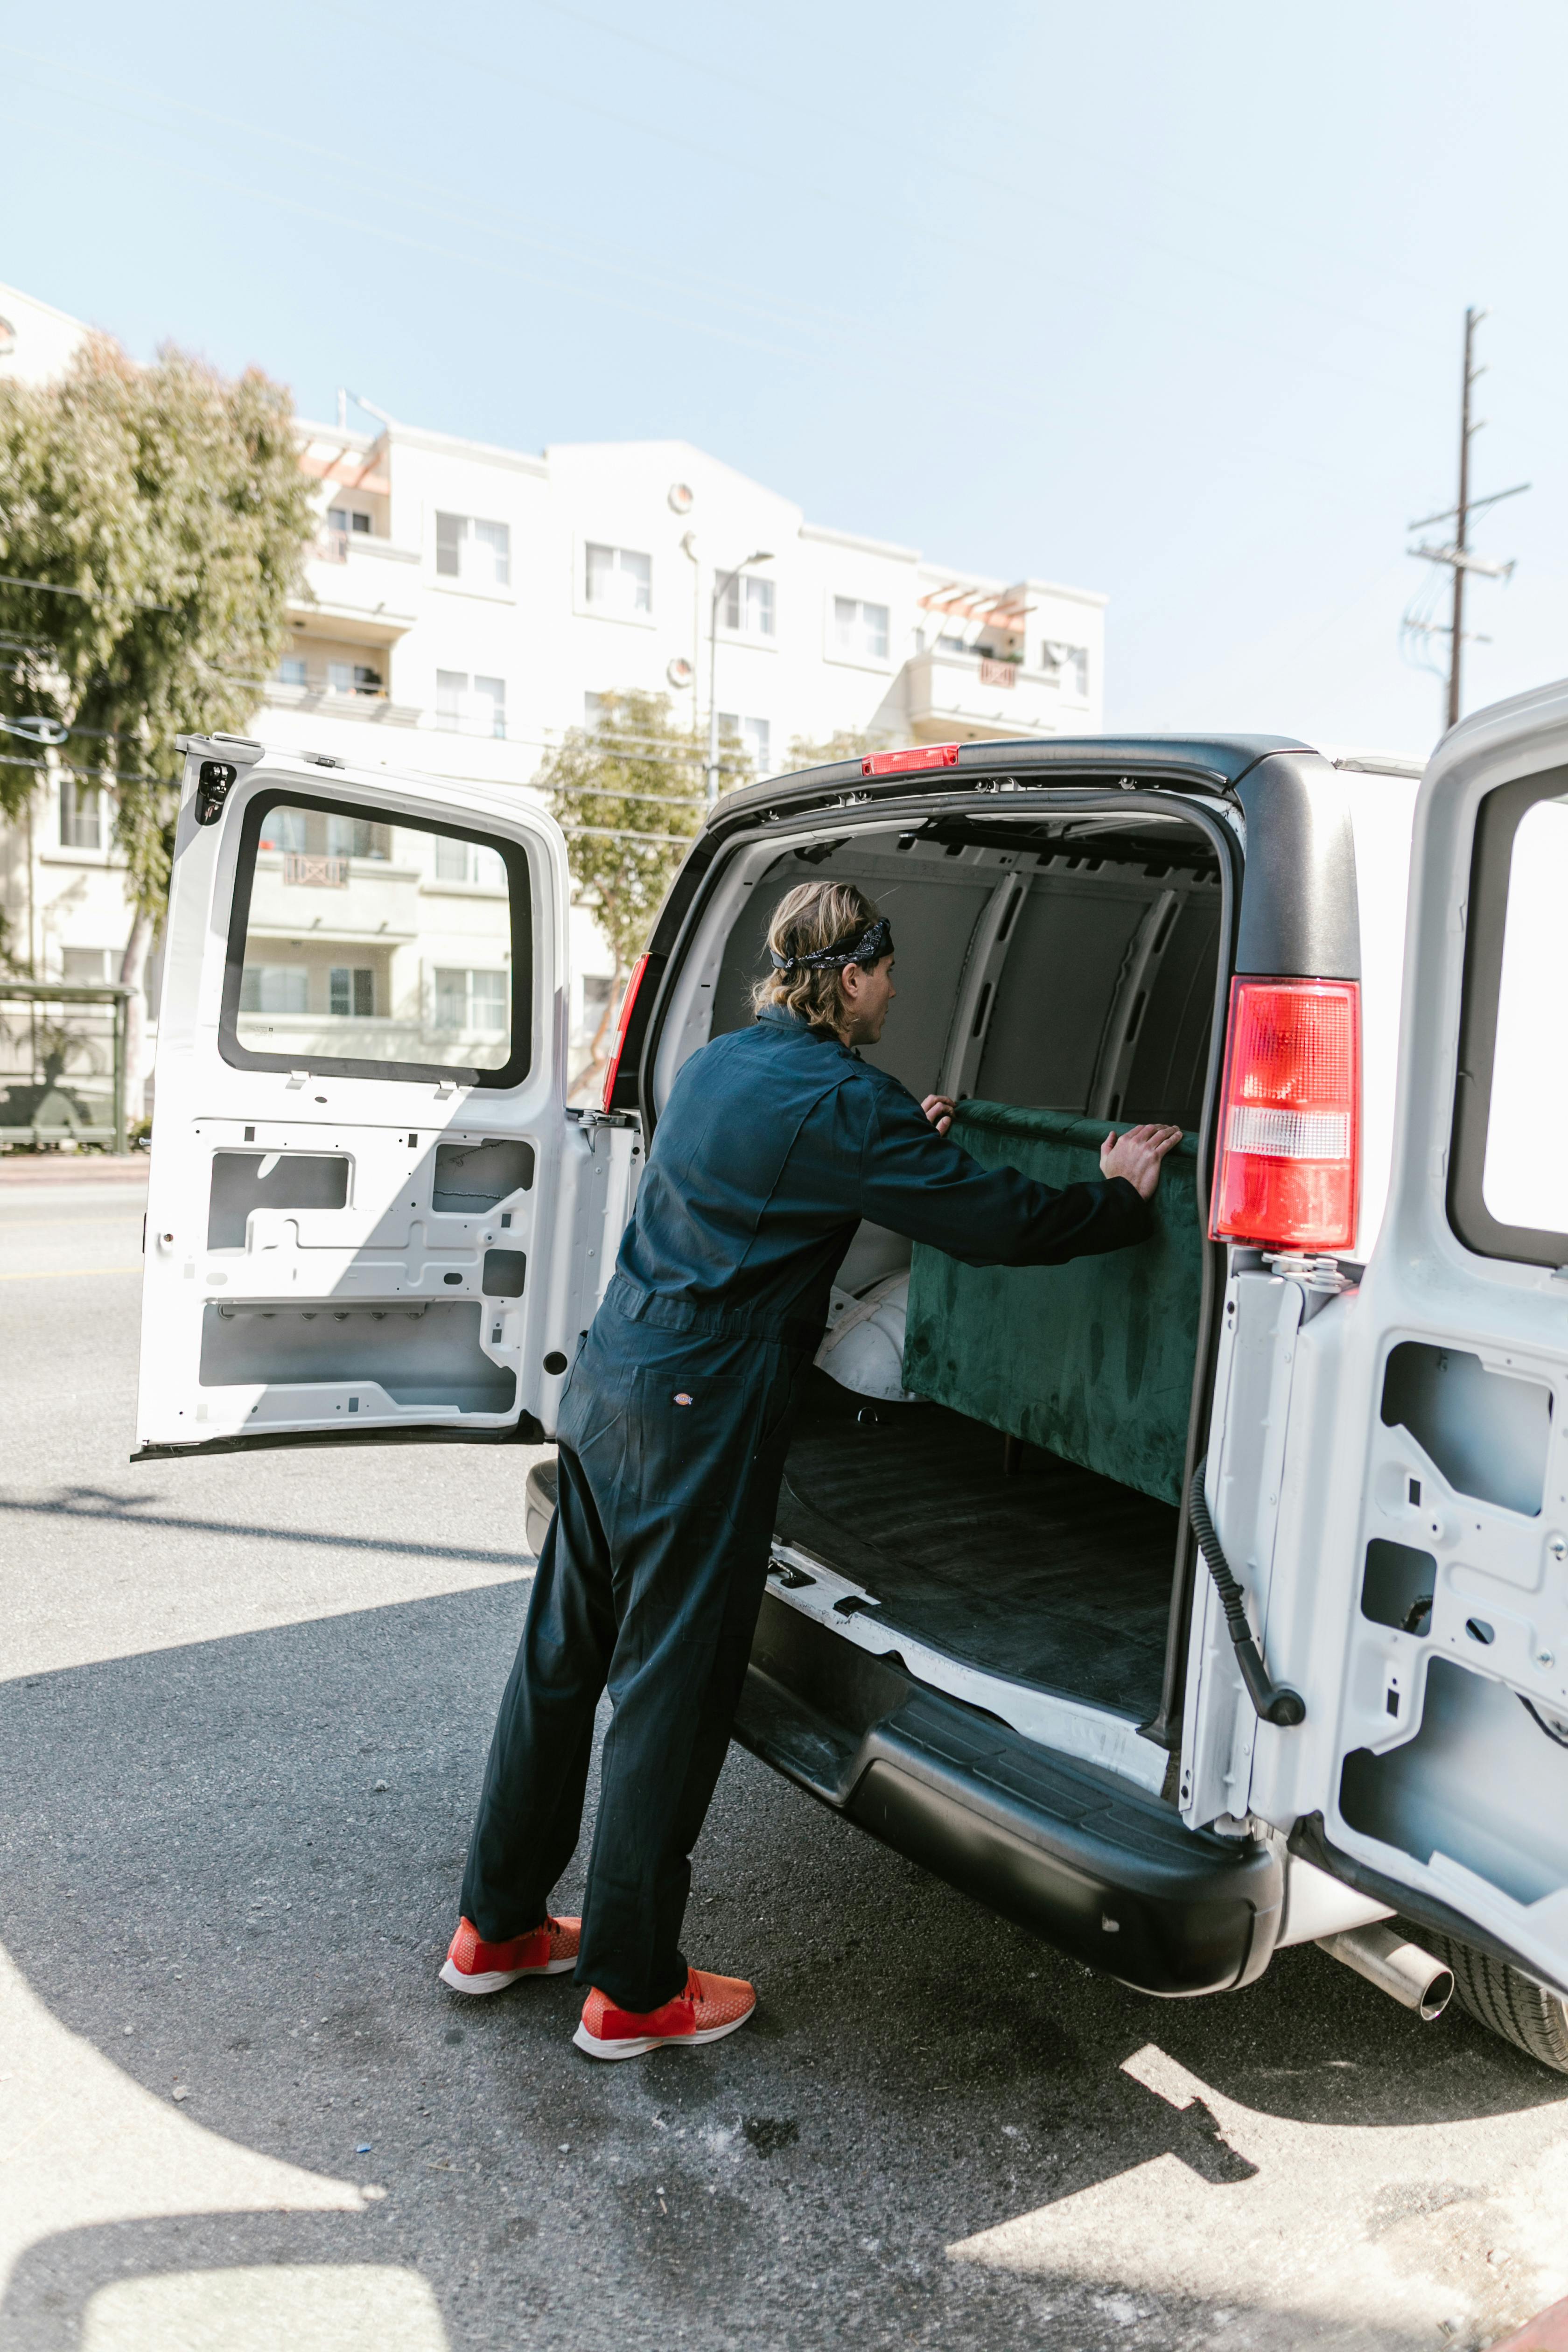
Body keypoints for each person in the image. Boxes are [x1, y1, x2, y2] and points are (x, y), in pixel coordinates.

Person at [440, 879, 1182, 2059]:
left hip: (611, 1380)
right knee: (673, 1692)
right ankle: (633, 1992)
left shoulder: (721, 1065)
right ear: (848, 978)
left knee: (560, 1663)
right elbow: (995, 1222)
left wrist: (902, 1138)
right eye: (884, 976)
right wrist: (1116, 1198)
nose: (893, 994)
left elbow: (783, 1165)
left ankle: (498, 1927)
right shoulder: (848, 1100)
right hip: (700, 1415)